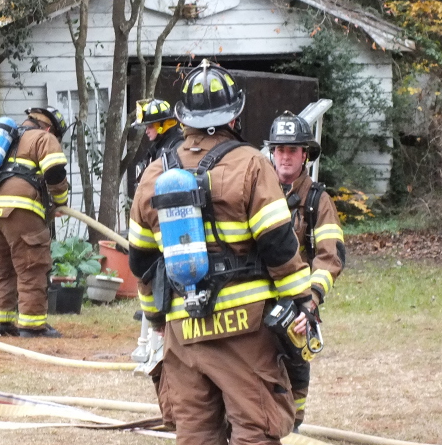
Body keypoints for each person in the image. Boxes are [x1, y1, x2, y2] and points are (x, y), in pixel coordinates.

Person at [128, 60, 313, 445]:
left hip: (184, 332)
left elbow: (141, 263)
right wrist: (304, 301)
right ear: (235, 115)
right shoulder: (251, 165)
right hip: (244, 330)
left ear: (184, 119)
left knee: (195, 434)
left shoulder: (153, 175)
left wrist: (158, 321)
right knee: (255, 430)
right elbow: (279, 245)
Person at [267, 111, 345, 431]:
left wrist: (310, 302)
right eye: (280, 150)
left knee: (296, 372)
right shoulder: (258, 192)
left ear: (305, 156)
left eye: (293, 150)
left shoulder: (317, 200)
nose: (285, 157)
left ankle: (293, 428)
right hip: (256, 300)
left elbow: (330, 258)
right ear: (271, 153)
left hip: (298, 306)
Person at [0, 106, 69, 338]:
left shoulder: (7, 141)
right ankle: (32, 326)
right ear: (50, 127)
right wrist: (60, 201)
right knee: (32, 266)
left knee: (3, 268)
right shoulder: (43, 138)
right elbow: (56, 173)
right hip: (20, 208)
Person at [132, 98, 184, 182]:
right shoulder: (161, 145)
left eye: (150, 126)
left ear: (162, 126)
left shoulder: (176, 146)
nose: (146, 131)